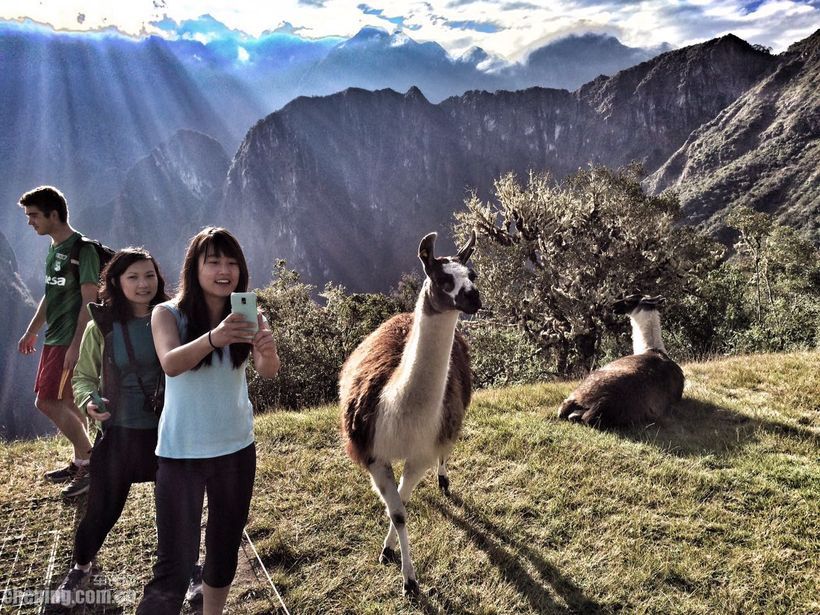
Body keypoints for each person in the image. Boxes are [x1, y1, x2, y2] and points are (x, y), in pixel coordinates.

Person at [137, 227, 280, 615]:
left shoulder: (249, 314)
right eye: (213, 261)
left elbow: (268, 371)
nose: (224, 270)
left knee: (223, 547)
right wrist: (216, 337)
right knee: (175, 564)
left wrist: (265, 350)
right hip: (181, 453)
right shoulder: (166, 314)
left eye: (232, 262)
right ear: (194, 267)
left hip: (236, 449)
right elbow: (171, 362)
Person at [55, 248, 169, 605]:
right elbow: (84, 377)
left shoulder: (171, 318)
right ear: (116, 282)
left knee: (175, 507)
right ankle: (82, 565)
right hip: (119, 432)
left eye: (149, 275)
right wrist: (90, 401)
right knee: (102, 510)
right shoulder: (100, 326)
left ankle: (187, 568)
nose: (143, 284)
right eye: (133, 277)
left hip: (168, 431)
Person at [17, 186, 98, 498]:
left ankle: (91, 462)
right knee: (65, 402)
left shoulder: (83, 250)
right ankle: (82, 459)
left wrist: (78, 345)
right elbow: (51, 297)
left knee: (46, 401)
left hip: (70, 338)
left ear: (54, 214)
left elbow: (90, 302)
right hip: (54, 338)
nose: (30, 222)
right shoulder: (54, 250)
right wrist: (32, 330)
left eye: (34, 215)